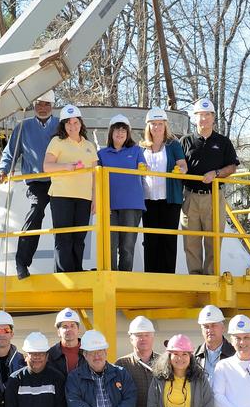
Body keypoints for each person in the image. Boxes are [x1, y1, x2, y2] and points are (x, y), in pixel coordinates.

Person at [0, 90, 60, 279]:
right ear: (34, 106)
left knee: (64, 224)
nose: (42, 108)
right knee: (35, 214)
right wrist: (3, 169)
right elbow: (10, 152)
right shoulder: (23, 127)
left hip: (61, 180)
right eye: (39, 104)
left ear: (52, 106)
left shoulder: (61, 126)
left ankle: (65, 268)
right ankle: (21, 263)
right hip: (37, 182)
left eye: (46, 104)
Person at [179, 97, 239, 275]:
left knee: (213, 239)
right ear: (194, 118)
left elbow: (232, 166)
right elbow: (177, 164)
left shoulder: (223, 142)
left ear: (213, 118)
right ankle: (195, 277)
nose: (203, 119)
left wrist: (217, 173)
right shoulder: (185, 141)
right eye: (200, 115)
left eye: (207, 115)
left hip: (214, 196)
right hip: (190, 196)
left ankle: (211, 276)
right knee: (191, 240)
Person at [42, 104, 98, 273]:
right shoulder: (57, 141)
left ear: (81, 123)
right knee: (64, 237)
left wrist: (95, 198)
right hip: (61, 195)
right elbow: (46, 166)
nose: (72, 127)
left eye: (75, 123)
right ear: (63, 125)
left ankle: (77, 271)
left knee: (79, 237)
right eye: (68, 123)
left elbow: (95, 175)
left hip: (84, 197)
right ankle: (65, 275)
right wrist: (66, 166)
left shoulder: (89, 145)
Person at [139, 107, 188, 273]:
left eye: (160, 124)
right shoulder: (142, 147)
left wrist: (181, 170)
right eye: (153, 124)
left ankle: (167, 276)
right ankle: (151, 275)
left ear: (165, 125)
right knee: (150, 239)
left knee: (168, 238)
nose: (157, 127)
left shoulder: (173, 145)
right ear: (148, 126)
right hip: (148, 199)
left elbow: (183, 165)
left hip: (170, 199)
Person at [96, 113, 145, 271]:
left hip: (131, 205)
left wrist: (144, 168)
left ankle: (125, 278)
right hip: (109, 205)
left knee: (127, 247)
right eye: (117, 129)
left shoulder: (136, 151)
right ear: (111, 132)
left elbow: (144, 169)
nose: (120, 132)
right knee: (110, 245)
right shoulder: (102, 154)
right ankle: (111, 277)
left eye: (124, 129)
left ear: (128, 133)